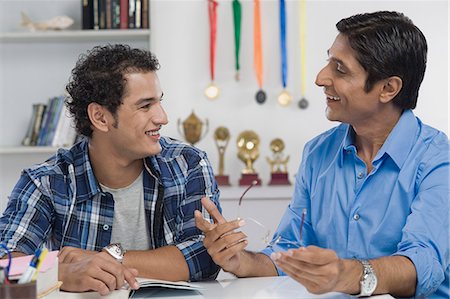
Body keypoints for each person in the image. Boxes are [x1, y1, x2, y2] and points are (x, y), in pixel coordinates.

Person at [195, 11, 449, 298]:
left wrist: (350, 273)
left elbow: (423, 264)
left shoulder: (438, 159)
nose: (320, 78)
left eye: (340, 69)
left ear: (388, 88)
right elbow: (287, 250)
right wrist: (239, 260)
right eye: (328, 61)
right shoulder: (318, 152)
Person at [0, 44, 221, 295]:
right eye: (145, 106)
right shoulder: (46, 181)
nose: (162, 117)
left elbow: (206, 257)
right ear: (100, 117)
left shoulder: (188, 164)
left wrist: (106, 259)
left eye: (159, 102)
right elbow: (5, 264)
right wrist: (61, 273)